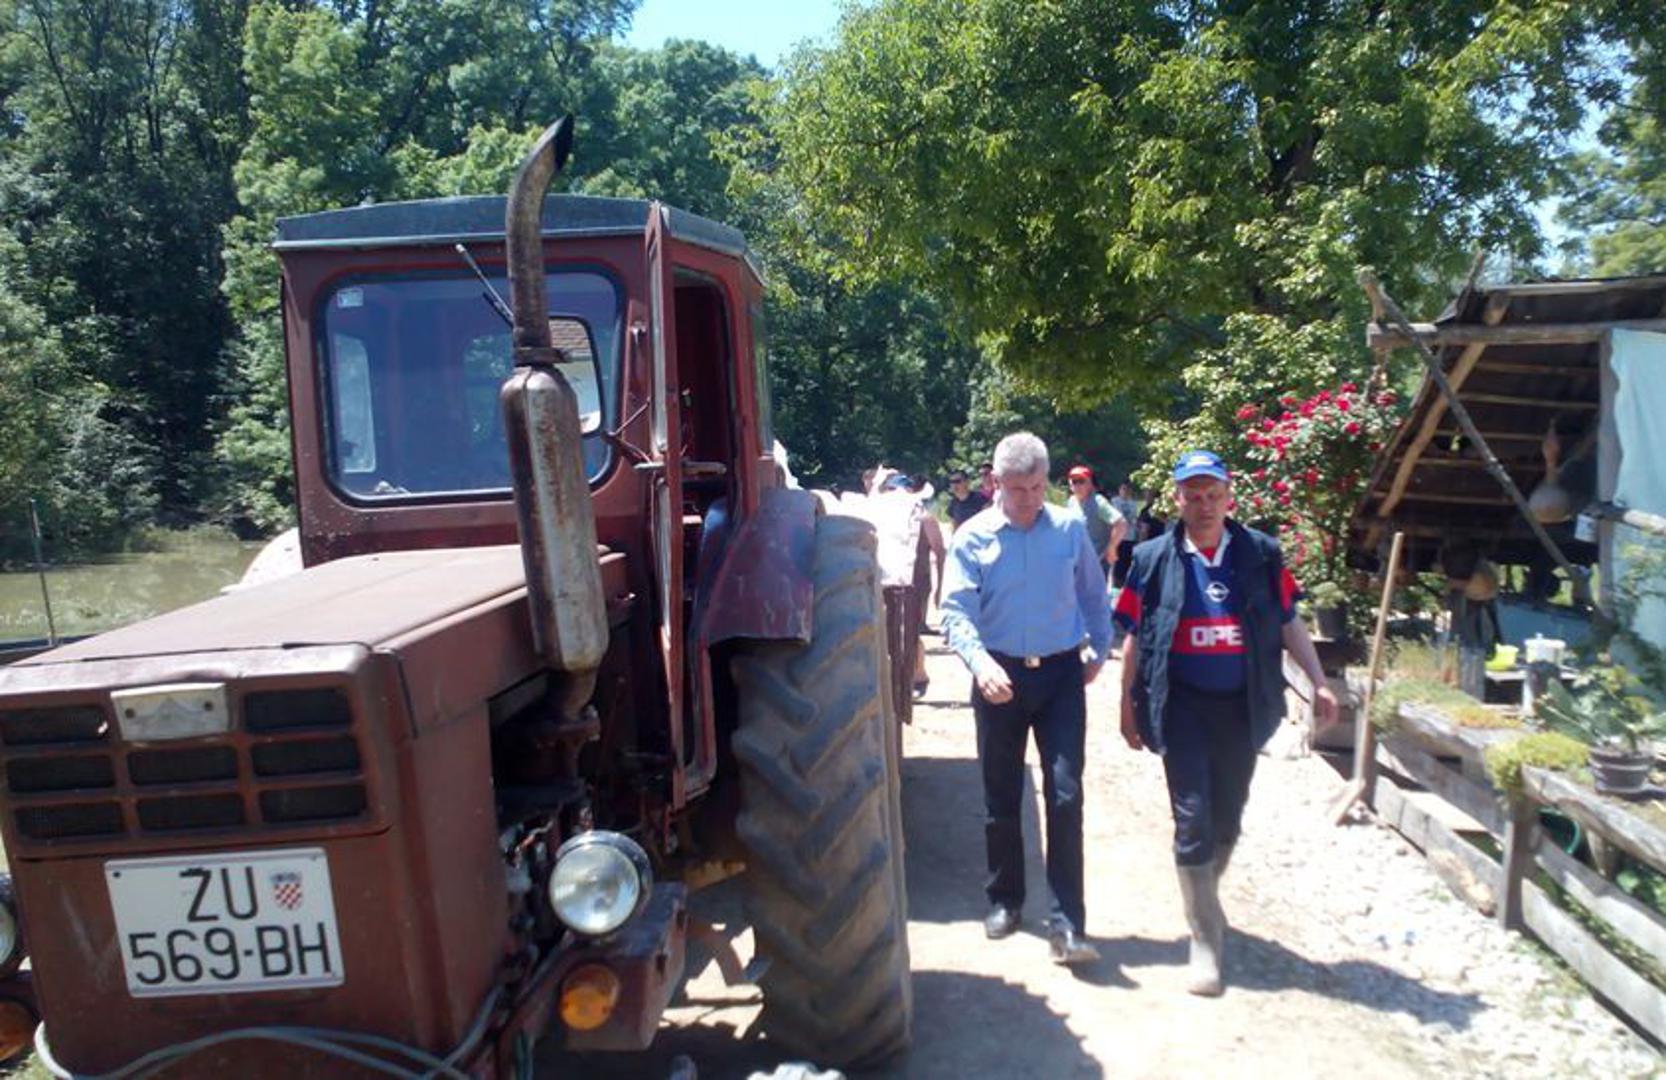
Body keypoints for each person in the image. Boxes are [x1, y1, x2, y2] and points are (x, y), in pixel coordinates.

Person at [1114, 449, 1338, 996]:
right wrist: (1126, 703)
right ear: (1178, 500)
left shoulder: (1261, 554)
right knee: (1192, 818)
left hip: (1242, 705)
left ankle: (1204, 898)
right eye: (1193, 495)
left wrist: (1319, 681)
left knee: (1228, 819)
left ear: (1228, 497)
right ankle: (1205, 939)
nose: (1205, 505)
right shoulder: (1151, 558)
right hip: (1181, 704)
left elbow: (1290, 623)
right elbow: (1134, 636)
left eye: (1213, 494)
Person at [940, 432, 1111, 966]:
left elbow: (1093, 595)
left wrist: (1098, 649)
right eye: (1018, 489)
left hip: (1060, 677)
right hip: (1000, 675)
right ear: (996, 483)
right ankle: (1005, 899)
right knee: (1001, 794)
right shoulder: (973, 538)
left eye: (1038, 487)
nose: (1030, 499)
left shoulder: (1068, 528)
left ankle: (1068, 925)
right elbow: (955, 611)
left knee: (1066, 796)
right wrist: (980, 663)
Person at [1066, 465, 1126, 581]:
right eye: (1074, 482)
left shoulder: (1098, 502)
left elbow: (1121, 523)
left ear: (1090, 484)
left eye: (1081, 481)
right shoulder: (1072, 502)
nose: (1077, 485)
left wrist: (1112, 548)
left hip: (1096, 562)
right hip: (1076, 561)